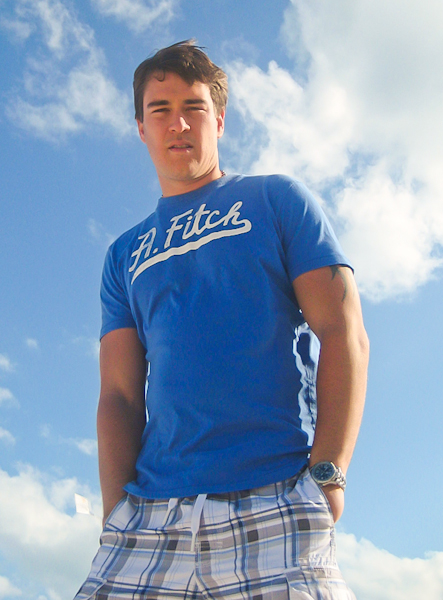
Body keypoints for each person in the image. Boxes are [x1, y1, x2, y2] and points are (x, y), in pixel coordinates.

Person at [74, 40, 369, 600]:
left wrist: (328, 474)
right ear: (141, 127)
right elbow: (117, 393)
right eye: (160, 110)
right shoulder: (123, 254)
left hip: (276, 497)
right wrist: (117, 512)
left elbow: (343, 330)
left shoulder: (277, 200)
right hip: (149, 519)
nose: (178, 123)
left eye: (194, 107)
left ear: (220, 119)